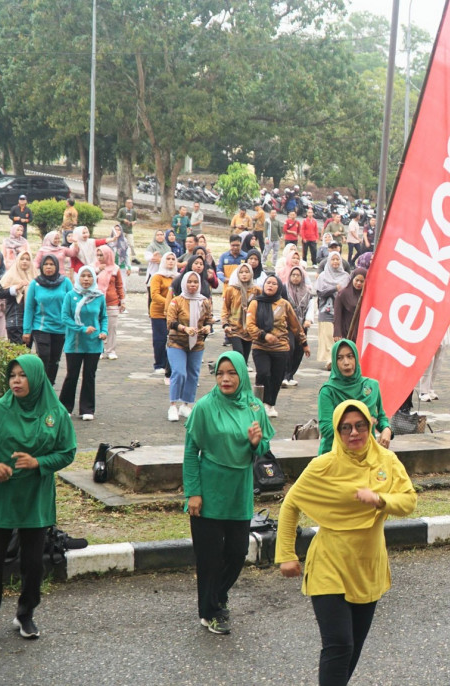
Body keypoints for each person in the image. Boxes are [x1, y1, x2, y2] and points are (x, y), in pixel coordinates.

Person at [276, 400, 415, 685]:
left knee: (352, 649)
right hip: (329, 564)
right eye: (346, 427)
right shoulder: (323, 465)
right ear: (337, 432)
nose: (354, 433)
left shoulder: (387, 461)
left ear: (370, 426)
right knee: (339, 644)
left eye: (360, 426)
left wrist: (379, 499)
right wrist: (286, 554)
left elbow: (409, 500)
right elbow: (291, 504)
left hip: (368, 567)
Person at [0, 354, 76, 647]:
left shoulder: (55, 413)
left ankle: (26, 615)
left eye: (23, 375)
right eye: (12, 375)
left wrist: (39, 462)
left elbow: (67, 451)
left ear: (36, 378)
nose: (16, 380)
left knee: (33, 564)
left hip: (35, 499)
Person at [183, 351, 272, 635]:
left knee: (237, 552)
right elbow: (190, 452)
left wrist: (256, 443)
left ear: (242, 375)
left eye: (231, 373)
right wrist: (193, 492)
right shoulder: (204, 408)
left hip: (239, 490)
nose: (225, 378)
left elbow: (263, 448)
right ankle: (210, 611)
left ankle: (217, 595)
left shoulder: (254, 406)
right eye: (220, 373)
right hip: (209, 491)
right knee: (208, 558)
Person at [246, 275, 307, 418]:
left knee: (276, 378)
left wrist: (304, 343)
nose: (270, 285)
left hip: (281, 348)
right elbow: (250, 325)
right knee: (263, 374)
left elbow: (295, 326)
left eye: (274, 283)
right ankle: (258, 403)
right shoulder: (255, 303)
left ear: (279, 287)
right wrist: (264, 335)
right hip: (260, 347)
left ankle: (270, 405)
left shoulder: (284, 304)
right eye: (268, 283)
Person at [317, 340, 392, 454]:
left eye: (350, 356)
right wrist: (363, 424)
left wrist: (387, 429)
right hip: (335, 454)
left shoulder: (372, 386)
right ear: (334, 363)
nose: (346, 362)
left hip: (366, 453)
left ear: (356, 359)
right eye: (340, 358)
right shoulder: (328, 391)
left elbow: (381, 417)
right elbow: (326, 428)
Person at [59, 266, 108, 420]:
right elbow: (65, 317)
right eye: (83, 276)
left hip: (94, 343)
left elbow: (103, 317)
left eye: (89, 276)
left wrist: (104, 332)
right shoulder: (70, 295)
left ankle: (87, 409)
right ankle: (65, 407)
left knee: (89, 375)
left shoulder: (99, 297)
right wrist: (81, 328)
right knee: (72, 375)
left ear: (94, 278)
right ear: (78, 278)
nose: (86, 279)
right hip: (75, 343)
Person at [166, 271, 214, 422]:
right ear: (184, 283)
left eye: (195, 282)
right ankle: (173, 405)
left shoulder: (204, 301)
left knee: (193, 374)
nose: (192, 285)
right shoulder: (177, 301)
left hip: (197, 344)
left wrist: (208, 328)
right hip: (177, 342)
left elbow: (209, 320)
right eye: (189, 282)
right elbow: (170, 322)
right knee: (179, 373)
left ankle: (186, 405)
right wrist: (184, 329)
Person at [23, 255, 72, 384]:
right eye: (46, 264)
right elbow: (29, 308)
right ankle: (40, 384)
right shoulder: (35, 284)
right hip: (41, 327)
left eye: (51, 264)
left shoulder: (65, 282)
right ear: (41, 266)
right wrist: (26, 330)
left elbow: (72, 305)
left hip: (60, 328)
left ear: (56, 266)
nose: (49, 267)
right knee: (43, 356)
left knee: (55, 360)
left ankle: (49, 385)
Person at [315, 253, 350, 369]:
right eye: (333, 259)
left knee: (339, 337)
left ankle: (337, 359)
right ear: (329, 261)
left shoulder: (346, 276)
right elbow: (319, 293)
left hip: (341, 312)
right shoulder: (323, 276)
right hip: (326, 310)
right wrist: (335, 289)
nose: (335, 262)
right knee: (328, 336)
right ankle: (331, 360)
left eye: (337, 259)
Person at [149, 254, 178, 383]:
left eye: (173, 259)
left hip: (172, 313)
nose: (170, 261)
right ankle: (159, 364)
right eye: (168, 259)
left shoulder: (177, 277)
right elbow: (155, 295)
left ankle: (169, 364)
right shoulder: (157, 276)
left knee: (172, 339)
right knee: (160, 339)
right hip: (158, 312)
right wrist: (170, 302)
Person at [0, 251, 36, 345]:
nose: (24, 262)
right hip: (14, 319)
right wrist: (16, 287)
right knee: (17, 353)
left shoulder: (35, 277)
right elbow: (0, 293)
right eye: (22, 259)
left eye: (27, 259)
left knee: (27, 351)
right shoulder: (10, 275)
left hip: (31, 321)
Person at [94, 245, 124, 360]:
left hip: (112, 301)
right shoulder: (93, 267)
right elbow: (87, 280)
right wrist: (97, 270)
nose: (100, 257)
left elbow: (119, 285)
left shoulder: (115, 269)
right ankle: (99, 349)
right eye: (98, 255)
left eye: (102, 255)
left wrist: (122, 300)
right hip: (96, 301)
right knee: (98, 325)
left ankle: (111, 350)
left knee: (112, 327)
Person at [332, 267, 366, 344]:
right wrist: (337, 332)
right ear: (352, 279)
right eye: (357, 280)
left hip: (362, 333)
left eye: (362, 281)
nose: (359, 283)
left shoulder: (367, 295)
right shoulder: (343, 294)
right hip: (347, 331)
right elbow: (337, 315)